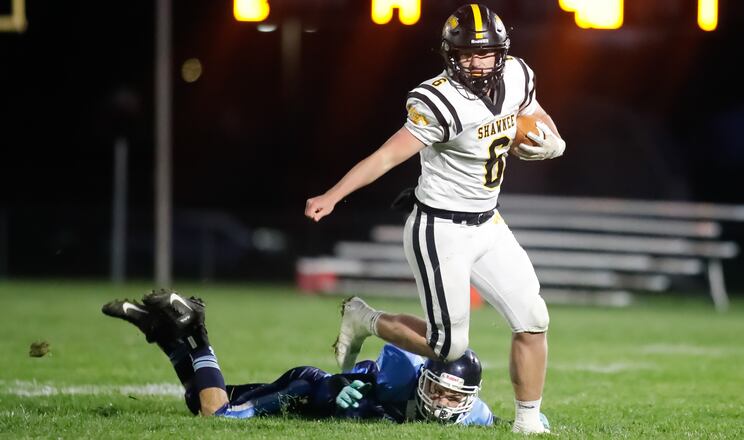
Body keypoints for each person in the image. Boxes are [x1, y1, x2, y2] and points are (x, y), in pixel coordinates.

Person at [304, 4, 565, 435]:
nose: (478, 63)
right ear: (450, 55)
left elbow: (534, 112)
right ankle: (363, 318)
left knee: (533, 318)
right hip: (440, 228)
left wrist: (554, 141)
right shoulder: (438, 99)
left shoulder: (517, 73)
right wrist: (334, 195)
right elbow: (388, 155)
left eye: (486, 53)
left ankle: (528, 422)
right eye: (467, 55)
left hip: (489, 224)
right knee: (448, 347)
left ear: (502, 52)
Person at [101, 290, 529, 426]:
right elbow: (359, 375)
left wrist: (534, 421)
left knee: (201, 399)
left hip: (322, 394)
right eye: (439, 389)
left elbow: (502, 423)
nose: (446, 403)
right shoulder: (399, 372)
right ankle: (195, 333)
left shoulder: (475, 415)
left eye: (456, 397)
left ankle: (163, 332)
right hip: (308, 389)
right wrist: (345, 385)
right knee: (217, 416)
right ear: (424, 377)